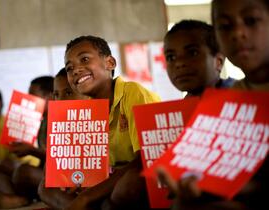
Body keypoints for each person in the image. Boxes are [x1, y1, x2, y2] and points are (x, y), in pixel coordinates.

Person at [157, 0, 269, 210]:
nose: (238, 33)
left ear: (218, 61)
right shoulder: (236, 98)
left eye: (251, 21)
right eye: (225, 26)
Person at [47, 35, 161, 210]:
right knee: (48, 184)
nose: (76, 70)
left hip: (145, 174)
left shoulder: (132, 92)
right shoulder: (86, 112)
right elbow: (90, 167)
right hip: (114, 178)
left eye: (84, 59)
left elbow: (144, 160)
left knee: (126, 186)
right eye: (69, 68)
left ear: (110, 63)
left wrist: (87, 196)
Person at [0, 76, 54, 209]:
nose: (29, 100)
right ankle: (16, 198)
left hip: (59, 178)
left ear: (49, 96)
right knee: (1, 167)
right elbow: (44, 162)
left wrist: (31, 150)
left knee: (23, 172)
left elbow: (61, 162)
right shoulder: (42, 122)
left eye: (32, 95)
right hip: (44, 174)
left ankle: (22, 199)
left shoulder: (59, 118)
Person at [38, 67, 89, 209]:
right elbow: (49, 174)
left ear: (87, 94)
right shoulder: (59, 128)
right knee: (44, 187)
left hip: (100, 188)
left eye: (68, 92)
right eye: (56, 95)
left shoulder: (99, 122)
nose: (60, 100)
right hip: (75, 187)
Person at [164, 19, 235, 98]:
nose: (179, 63)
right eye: (171, 57)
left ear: (219, 61)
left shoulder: (242, 98)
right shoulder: (182, 107)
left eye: (193, 53)